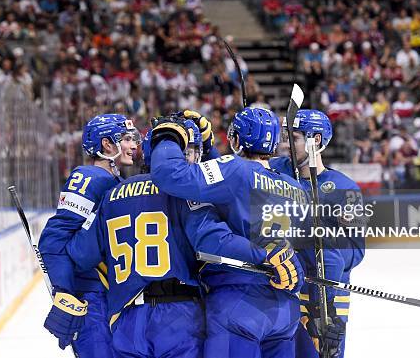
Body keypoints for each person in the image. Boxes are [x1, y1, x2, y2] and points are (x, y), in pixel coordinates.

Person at [62, 121, 291, 357]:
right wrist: (266, 256)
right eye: (189, 152)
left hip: (127, 321)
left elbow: (79, 255)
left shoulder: (111, 196)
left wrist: (64, 291)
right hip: (177, 317)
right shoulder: (184, 195)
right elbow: (212, 240)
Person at [149, 107, 309, 358]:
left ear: (235, 140)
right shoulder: (296, 188)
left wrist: (168, 134)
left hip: (239, 302)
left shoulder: (235, 170)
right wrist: (209, 149)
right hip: (285, 308)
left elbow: (170, 175)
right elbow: (233, 188)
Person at [39, 114, 141, 356]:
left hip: (110, 294)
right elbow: (53, 239)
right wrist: (65, 291)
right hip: (91, 297)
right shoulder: (88, 177)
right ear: (107, 144)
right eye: (126, 139)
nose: (134, 145)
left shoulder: (116, 180)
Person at [269, 109, 366, 358]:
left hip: (327, 298)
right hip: (282, 289)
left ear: (317, 141)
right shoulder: (273, 172)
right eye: (285, 136)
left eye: (295, 138)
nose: (286, 144)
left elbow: (356, 252)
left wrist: (325, 244)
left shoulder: (344, 188)